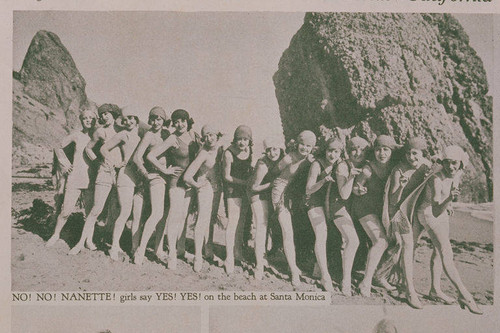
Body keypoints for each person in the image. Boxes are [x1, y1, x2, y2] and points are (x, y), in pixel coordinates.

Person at [414, 145, 482, 314]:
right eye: (447, 163)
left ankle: (435, 290)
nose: (451, 167)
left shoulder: (457, 174)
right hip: (429, 213)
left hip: (441, 212)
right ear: (442, 162)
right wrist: (449, 199)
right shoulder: (436, 178)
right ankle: (465, 295)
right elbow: (436, 204)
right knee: (446, 253)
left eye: (454, 163)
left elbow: (446, 197)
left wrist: (449, 203)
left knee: (438, 252)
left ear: (460, 164)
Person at [377, 137, 432, 308]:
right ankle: (410, 291)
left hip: (413, 211)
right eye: (408, 153)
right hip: (397, 213)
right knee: (407, 245)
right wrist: (401, 186)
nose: (411, 157)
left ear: (422, 154)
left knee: (408, 247)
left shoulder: (427, 166)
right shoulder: (398, 170)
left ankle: (386, 276)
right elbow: (393, 201)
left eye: (415, 153)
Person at [142, 109, 199, 269]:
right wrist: (165, 170)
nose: (180, 124)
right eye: (176, 121)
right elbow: (150, 156)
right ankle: (172, 254)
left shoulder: (194, 137)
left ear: (188, 121)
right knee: (174, 218)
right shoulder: (172, 138)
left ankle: (180, 249)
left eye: (183, 120)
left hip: (189, 184)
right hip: (175, 183)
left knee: (183, 218)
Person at [69, 104, 122, 255]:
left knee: (115, 209)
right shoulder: (100, 131)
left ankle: (112, 243)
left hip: (120, 174)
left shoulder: (121, 130)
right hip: (104, 172)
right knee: (96, 209)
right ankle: (80, 244)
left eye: (107, 114)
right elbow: (88, 148)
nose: (104, 116)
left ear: (113, 114)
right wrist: (97, 162)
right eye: (102, 114)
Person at [351, 135, 399, 297]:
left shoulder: (395, 166)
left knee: (396, 240)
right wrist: (359, 190)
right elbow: (355, 189)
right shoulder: (368, 169)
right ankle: (366, 281)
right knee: (381, 241)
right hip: (363, 208)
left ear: (392, 151)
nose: (382, 153)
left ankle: (380, 276)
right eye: (378, 150)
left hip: (382, 210)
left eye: (386, 150)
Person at [271, 130, 316, 286]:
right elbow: (274, 173)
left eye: (308, 146)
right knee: (287, 231)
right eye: (302, 144)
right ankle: (294, 271)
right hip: (281, 192)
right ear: (297, 143)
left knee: (296, 230)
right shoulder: (289, 157)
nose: (304, 148)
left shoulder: (310, 160)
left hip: (295, 196)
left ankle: (293, 265)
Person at [46, 109, 97, 247]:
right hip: (75, 178)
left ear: (95, 120)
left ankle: (88, 240)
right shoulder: (76, 135)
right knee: (66, 211)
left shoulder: (98, 136)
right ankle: (55, 234)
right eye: (85, 118)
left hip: (91, 179)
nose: (88, 120)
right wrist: (65, 163)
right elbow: (58, 147)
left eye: (91, 118)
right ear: (81, 120)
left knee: (90, 213)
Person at [324, 136, 366, 295]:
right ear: (348, 151)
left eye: (361, 150)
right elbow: (343, 194)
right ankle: (346, 281)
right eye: (354, 149)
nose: (358, 153)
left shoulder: (363, 165)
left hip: (352, 209)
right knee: (353, 240)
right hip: (338, 206)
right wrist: (352, 177)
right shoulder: (343, 165)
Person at [100, 105, 142, 261]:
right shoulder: (123, 135)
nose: (128, 121)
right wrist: (115, 162)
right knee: (124, 212)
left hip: (139, 179)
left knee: (137, 215)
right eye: (125, 119)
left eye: (131, 118)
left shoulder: (141, 135)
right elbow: (104, 149)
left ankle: (134, 247)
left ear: (136, 119)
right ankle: (114, 246)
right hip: (125, 177)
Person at [305, 138, 344, 291]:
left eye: (336, 152)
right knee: (322, 234)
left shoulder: (339, 165)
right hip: (314, 203)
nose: (332, 155)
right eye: (330, 151)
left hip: (329, 204)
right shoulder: (317, 164)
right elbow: (308, 189)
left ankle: (318, 268)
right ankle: (325, 277)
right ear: (325, 151)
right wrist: (323, 181)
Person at [183, 124, 223, 272]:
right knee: (202, 221)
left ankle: (209, 251)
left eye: (211, 135)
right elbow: (187, 176)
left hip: (217, 189)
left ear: (217, 135)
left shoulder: (220, 149)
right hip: (205, 189)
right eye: (205, 136)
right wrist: (198, 185)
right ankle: (198, 256)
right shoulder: (204, 154)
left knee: (211, 221)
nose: (209, 138)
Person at [248, 136, 284, 280]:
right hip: (256, 194)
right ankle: (259, 265)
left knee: (268, 226)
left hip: (268, 195)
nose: (272, 153)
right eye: (268, 150)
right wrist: (274, 184)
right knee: (261, 226)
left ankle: (263, 257)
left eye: (275, 149)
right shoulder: (263, 164)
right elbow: (254, 187)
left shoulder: (283, 160)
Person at [222, 125, 253, 275]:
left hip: (245, 190)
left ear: (249, 141)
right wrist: (244, 182)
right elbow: (226, 176)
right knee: (233, 223)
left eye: (245, 139)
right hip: (232, 190)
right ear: (235, 139)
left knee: (241, 224)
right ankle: (229, 257)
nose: (242, 143)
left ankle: (237, 252)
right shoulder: (228, 153)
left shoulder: (249, 151)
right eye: (239, 139)